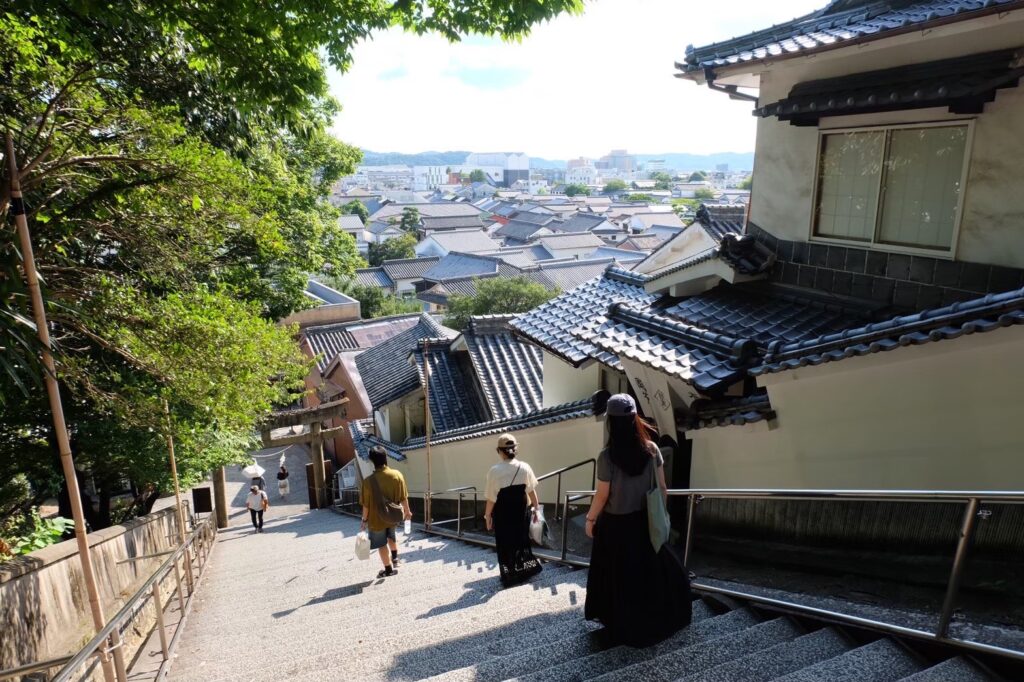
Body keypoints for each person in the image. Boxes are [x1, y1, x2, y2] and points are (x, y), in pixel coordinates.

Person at [584, 393, 691, 647]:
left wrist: (590, 519)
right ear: (635, 419)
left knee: (617, 575)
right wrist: (659, 514)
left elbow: (602, 495)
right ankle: (651, 616)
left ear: (610, 421)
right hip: (644, 522)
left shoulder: (607, 456)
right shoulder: (652, 450)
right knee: (645, 571)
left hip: (615, 525)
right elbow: (662, 487)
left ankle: (619, 620)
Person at [484, 433, 543, 587]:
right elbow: (531, 491)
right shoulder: (525, 467)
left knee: (504, 541)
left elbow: (491, 498)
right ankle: (523, 568)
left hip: (503, 512)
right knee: (521, 538)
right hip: (521, 510)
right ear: (515, 449)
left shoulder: (494, 471)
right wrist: (536, 509)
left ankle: (509, 572)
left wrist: (487, 516)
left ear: (499, 451)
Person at [360, 446, 412, 578]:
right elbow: (403, 497)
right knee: (391, 536)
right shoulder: (397, 475)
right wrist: (407, 511)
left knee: (381, 544)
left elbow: (366, 505)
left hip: (376, 519)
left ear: (372, 460)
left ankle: (388, 570)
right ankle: (395, 558)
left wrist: (364, 520)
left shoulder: (367, 482)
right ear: (385, 458)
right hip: (393, 515)